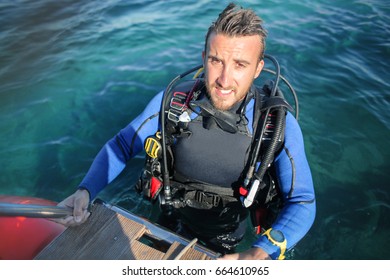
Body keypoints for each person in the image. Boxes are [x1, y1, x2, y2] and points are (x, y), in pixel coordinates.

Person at [56, 3, 316, 260]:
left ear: (258, 68)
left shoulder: (274, 124)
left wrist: (259, 252)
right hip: (169, 218)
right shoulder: (173, 102)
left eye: (240, 65)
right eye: (216, 60)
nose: (224, 80)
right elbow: (122, 146)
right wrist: (86, 190)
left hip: (225, 237)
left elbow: (302, 201)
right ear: (204, 58)